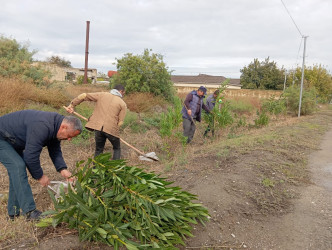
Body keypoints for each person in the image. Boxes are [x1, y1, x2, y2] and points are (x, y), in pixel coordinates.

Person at [0, 110, 82, 220]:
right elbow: (30, 156)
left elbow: (55, 150)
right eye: (69, 136)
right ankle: (30, 212)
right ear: (64, 127)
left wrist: (63, 170)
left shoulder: (55, 125)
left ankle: (13, 213)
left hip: (12, 139)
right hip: (2, 137)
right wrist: (40, 176)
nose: (69, 139)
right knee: (18, 166)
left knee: (16, 172)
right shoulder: (42, 125)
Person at [66, 84, 127, 160]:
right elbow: (120, 122)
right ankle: (115, 169)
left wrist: (72, 105)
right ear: (121, 91)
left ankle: (96, 170)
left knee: (99, 150)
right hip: (111, 130)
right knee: (117, 148)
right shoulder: (122, 104)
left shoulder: (102, 94)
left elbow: (84, 95)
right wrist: (116, 132)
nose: (123, 95)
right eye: (123, 93)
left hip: (98, 128)